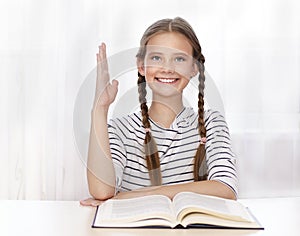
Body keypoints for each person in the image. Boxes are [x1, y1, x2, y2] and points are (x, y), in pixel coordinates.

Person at [80, 17, 237, 207]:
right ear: (141, 65)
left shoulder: (211, 123)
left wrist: (132, 196)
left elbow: (225, 188)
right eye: (156, 58)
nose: (167, 68)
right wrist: (100, 108)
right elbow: (102, 190)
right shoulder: (120, 129)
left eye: (179, 59)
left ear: (195, 67)